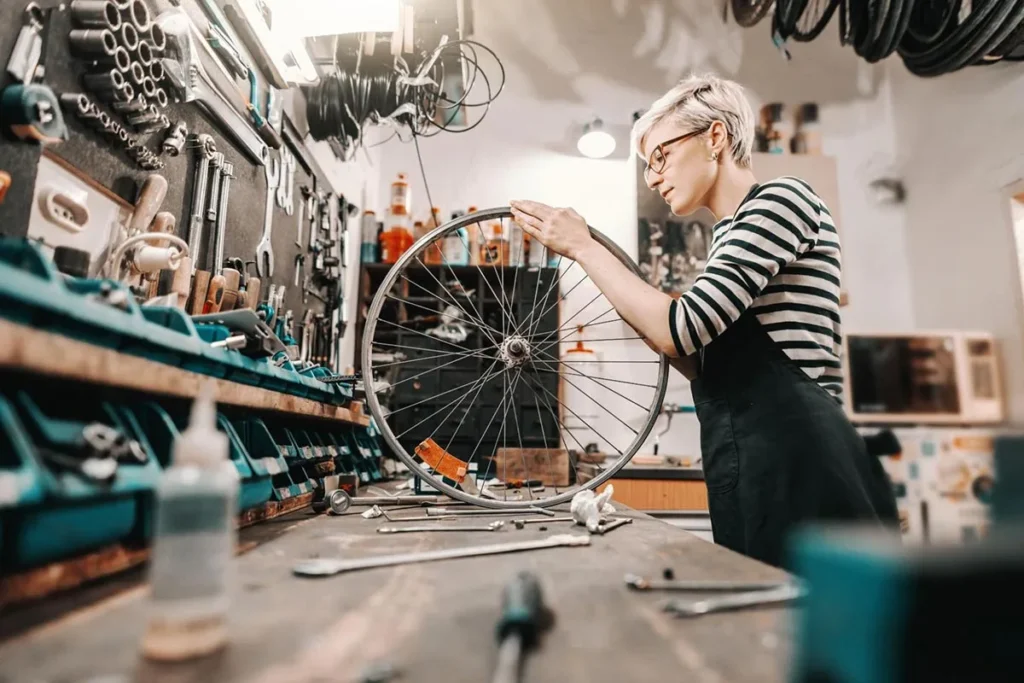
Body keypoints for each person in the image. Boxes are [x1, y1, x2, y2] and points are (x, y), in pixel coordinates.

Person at [510, 74, 898, 568]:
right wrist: (641, 314)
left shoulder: (781, 200)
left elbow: (681, 328)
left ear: (714, 137)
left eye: (660, 156)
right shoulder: (728, 236)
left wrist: (584, 247)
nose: (652, 178)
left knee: (807, 631)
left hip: (806, 462)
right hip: (753, 460)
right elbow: (699, 360)